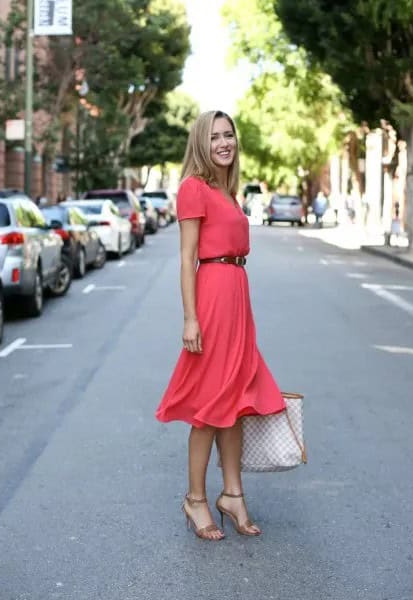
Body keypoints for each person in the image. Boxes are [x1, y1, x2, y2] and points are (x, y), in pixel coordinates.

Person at [155, 110, 286, 541]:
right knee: (210, 406)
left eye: (229, 135)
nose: (224, 143)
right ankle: (196, 499)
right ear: (200, 143)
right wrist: (191, 317)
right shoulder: (193, 188)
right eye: (215, 137)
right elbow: (187, 258)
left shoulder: (226, 192)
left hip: (236, 298)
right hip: (212, 298)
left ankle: (232, 494)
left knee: (235, 401)